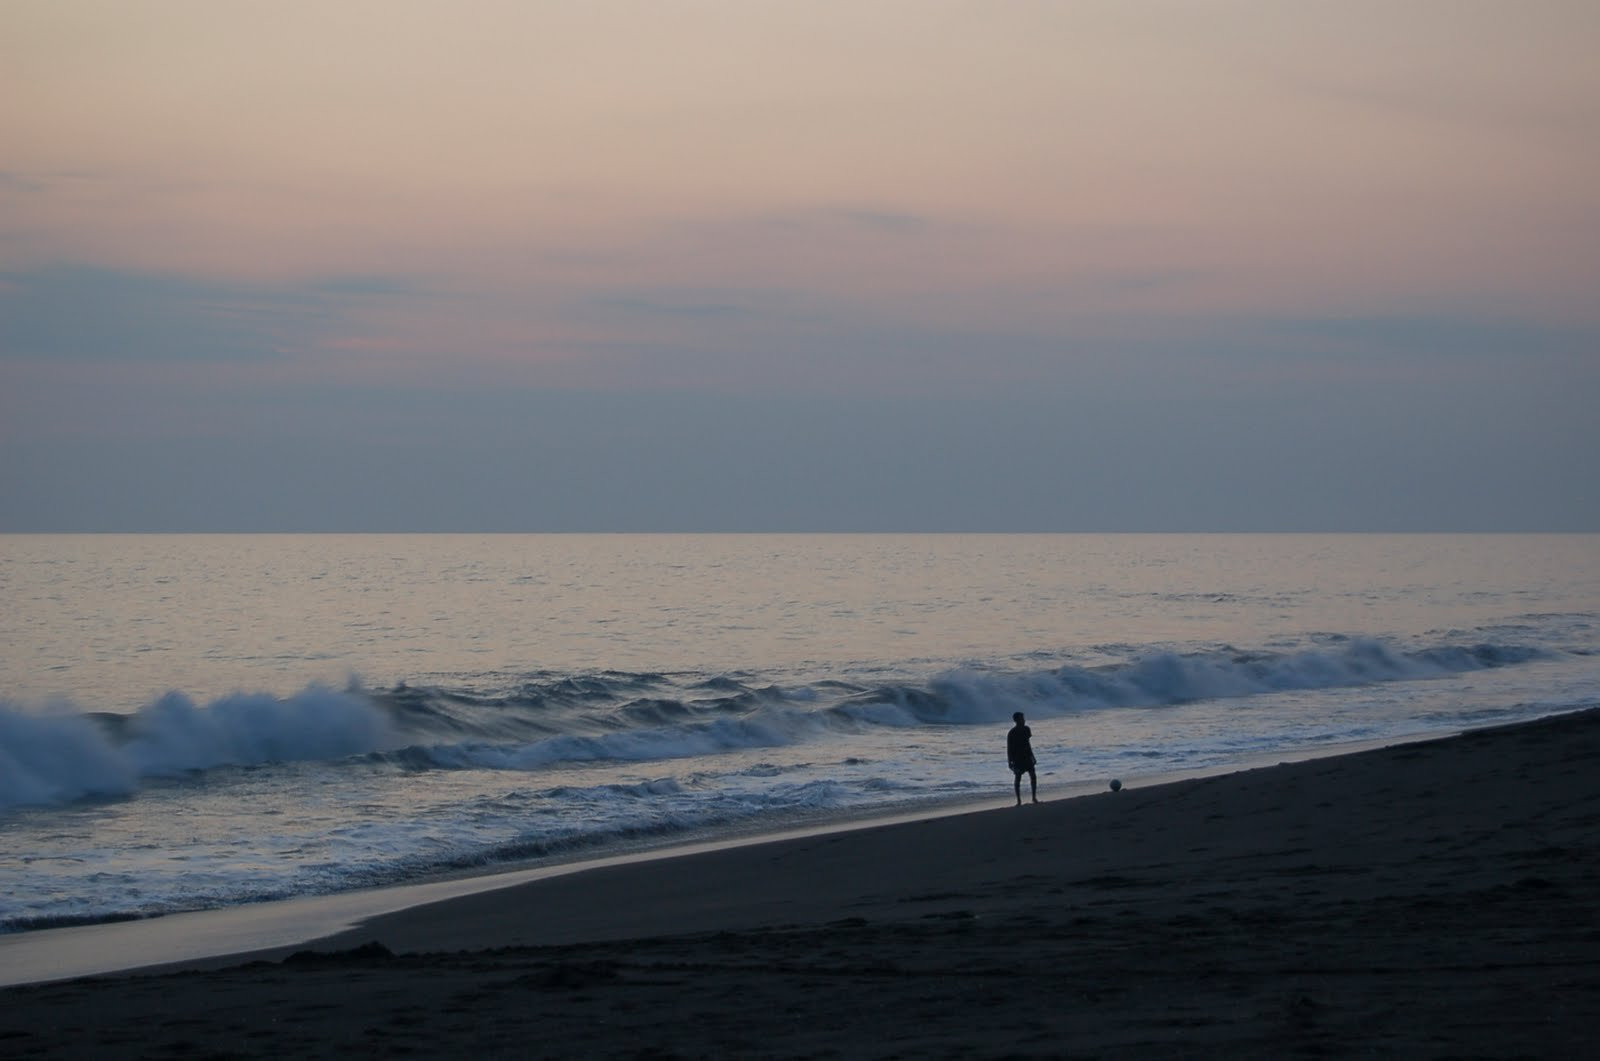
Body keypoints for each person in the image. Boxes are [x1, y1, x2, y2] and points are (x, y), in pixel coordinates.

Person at [1007, 711, 1038, 805]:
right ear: (1016, 720)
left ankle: (1034, 797)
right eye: (1022, 718)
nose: (1024, 720)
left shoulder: (1027, 729)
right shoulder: (1012, 732)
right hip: (1017, 758)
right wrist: (1010, 761)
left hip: (1027, 755)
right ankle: (1018, 800)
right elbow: (1009, 748)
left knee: (1033, 776)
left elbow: (1028, 744)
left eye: (1023, 718)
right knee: (1018, 778)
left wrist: (1033, 756)